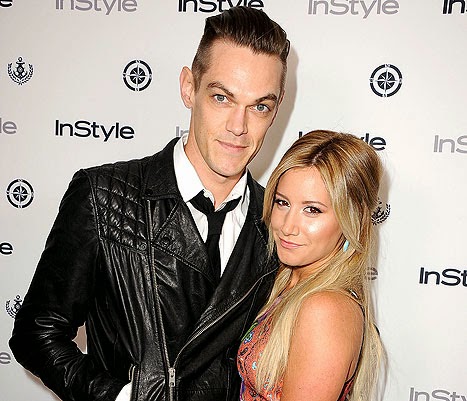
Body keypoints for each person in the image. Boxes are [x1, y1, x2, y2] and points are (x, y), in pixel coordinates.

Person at [9, 6, 290, 401]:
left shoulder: (278, 224)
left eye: (260, 106)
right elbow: (36, 333)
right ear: (188, 88)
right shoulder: (103, 196)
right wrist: (119, 397)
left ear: (276, 109)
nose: (239, 126)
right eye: (222, 97)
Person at [237, 130, 385, 401]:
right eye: (282, 203)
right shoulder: (287, 280)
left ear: (351, 219)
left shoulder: (325, 309)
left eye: (312, 210)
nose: (287, 226)